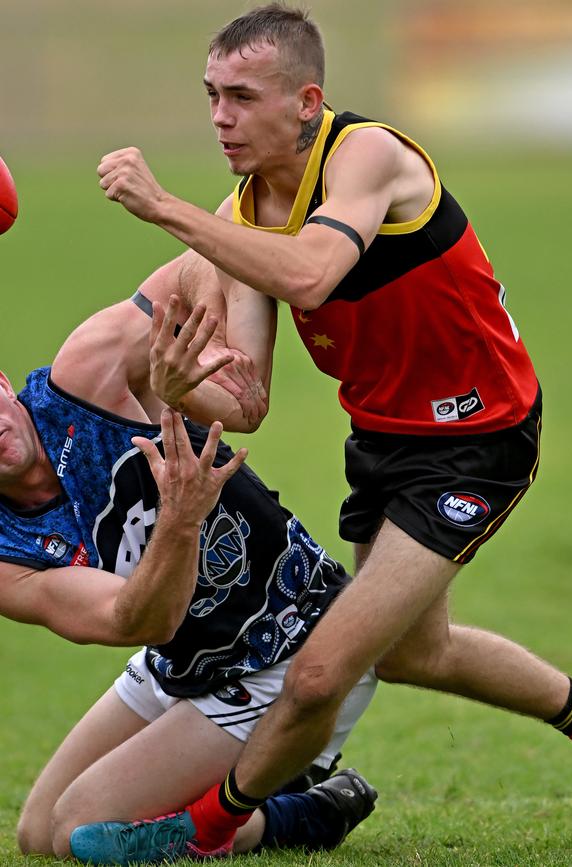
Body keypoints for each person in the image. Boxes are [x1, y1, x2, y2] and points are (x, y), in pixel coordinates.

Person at [87, 2, 572, 855]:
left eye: (241, 96)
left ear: (307, 101)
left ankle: (201, 832)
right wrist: (178, 387)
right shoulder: (245, 213)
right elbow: (247, 403)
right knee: (416, 653)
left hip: (480, 436)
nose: (220, 118)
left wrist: (166, 210)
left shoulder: (369, 155)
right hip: (385, 441)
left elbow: (312, 275)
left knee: (319, 672)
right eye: (211, 95)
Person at [1, 248, 377, 864]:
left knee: (77, 831)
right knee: (37, 834)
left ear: (2, 385)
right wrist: (179, 517)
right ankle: (291, 803)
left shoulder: (87, 374)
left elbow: (214, 253)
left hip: (292, 645)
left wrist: (214, 371)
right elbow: (139, 622)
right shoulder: (5, 552)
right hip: (182, 658)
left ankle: (286, 792)